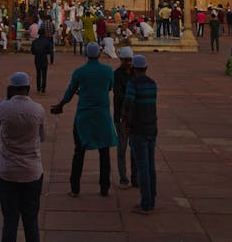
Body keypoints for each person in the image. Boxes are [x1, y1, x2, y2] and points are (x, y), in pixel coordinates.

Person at [51, 41, 116, 198]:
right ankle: (104, 187)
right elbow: (109, 88)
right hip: (102, 115)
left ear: (86, 55)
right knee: (104, 152)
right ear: (99, 54)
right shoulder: (108, 71)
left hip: (84, 116)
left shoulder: (79, 72)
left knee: (79, 152)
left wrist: (61, 105)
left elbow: (70, 91)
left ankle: (75, 188)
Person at [0, 71, 46, 242]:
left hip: (8, 171)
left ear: (11, 89)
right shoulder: (38, 109)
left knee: (9, 221)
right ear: (28, 89)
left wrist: (6, 100)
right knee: (31, 221)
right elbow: (42, 137)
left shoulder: (4, 108)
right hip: (32, 171)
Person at [119, 53, 159, 215]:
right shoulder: (152, 84)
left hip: (139, 129)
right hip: (152, 127)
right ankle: (151, 200)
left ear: (134, 68)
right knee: (150, 166)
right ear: (146, 68)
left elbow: (128, 104)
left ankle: (145, 203)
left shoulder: (133, 83)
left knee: (142, 166)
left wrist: (125, 122)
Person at [111, 47, 135, 190]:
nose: (128, 63)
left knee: (135, 147)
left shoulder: (134, 73)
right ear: (121, 60)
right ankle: (123, 177)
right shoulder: (117, 75)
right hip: (121, 115)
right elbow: (118, 94)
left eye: (130, 60)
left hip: (133, 115)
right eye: (126, 60)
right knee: (122, 147)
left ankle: (135, 177)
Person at [30, 27, 55, 94]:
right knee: (44, 74)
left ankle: (38, 88)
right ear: (44, 34)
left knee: (38, 74)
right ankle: (43, 87)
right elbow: (50, 51)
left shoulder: (34, 42)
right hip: (44, 58)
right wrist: (45, 52)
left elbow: (32, 52)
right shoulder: (47, 42)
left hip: (37, 59)